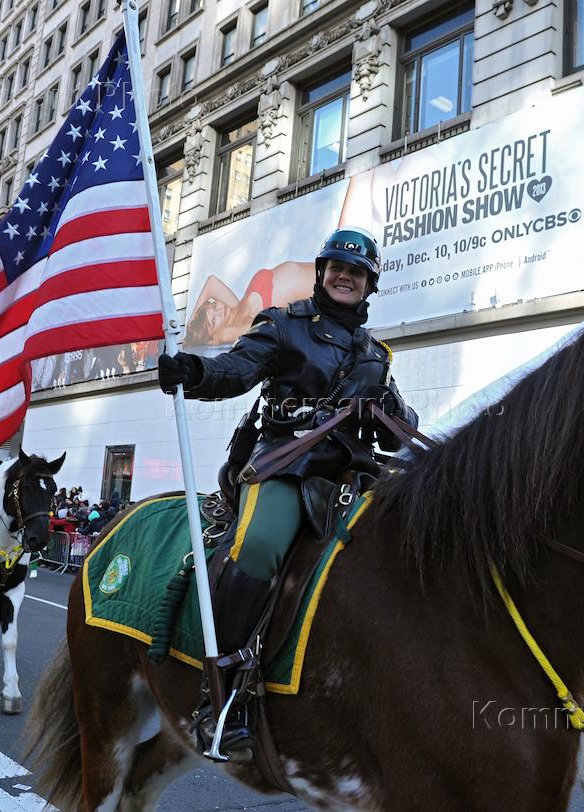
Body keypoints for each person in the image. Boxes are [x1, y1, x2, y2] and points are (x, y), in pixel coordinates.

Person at [158, 226, 418, 758]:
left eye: (356, 272)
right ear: (322, 273)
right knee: (260, 546)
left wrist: (391, 410)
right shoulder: (283, 324)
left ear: (369, 284)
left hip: (350, 477)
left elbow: (402, 428)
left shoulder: (376, 355)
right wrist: (194, 370)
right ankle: (219, 696)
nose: (345, 277)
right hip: (286, 464)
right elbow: (235, 370)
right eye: (337, 267)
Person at [184, 262, 316, 348]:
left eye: (213, 306)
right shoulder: (243, 324)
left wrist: (190, 321)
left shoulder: (236, 307)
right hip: (319, 287)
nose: (219, 310)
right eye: (213, 321)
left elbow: (212, 282)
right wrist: (220, 337)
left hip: (318, 268)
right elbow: (266, 326)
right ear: (213, 338)